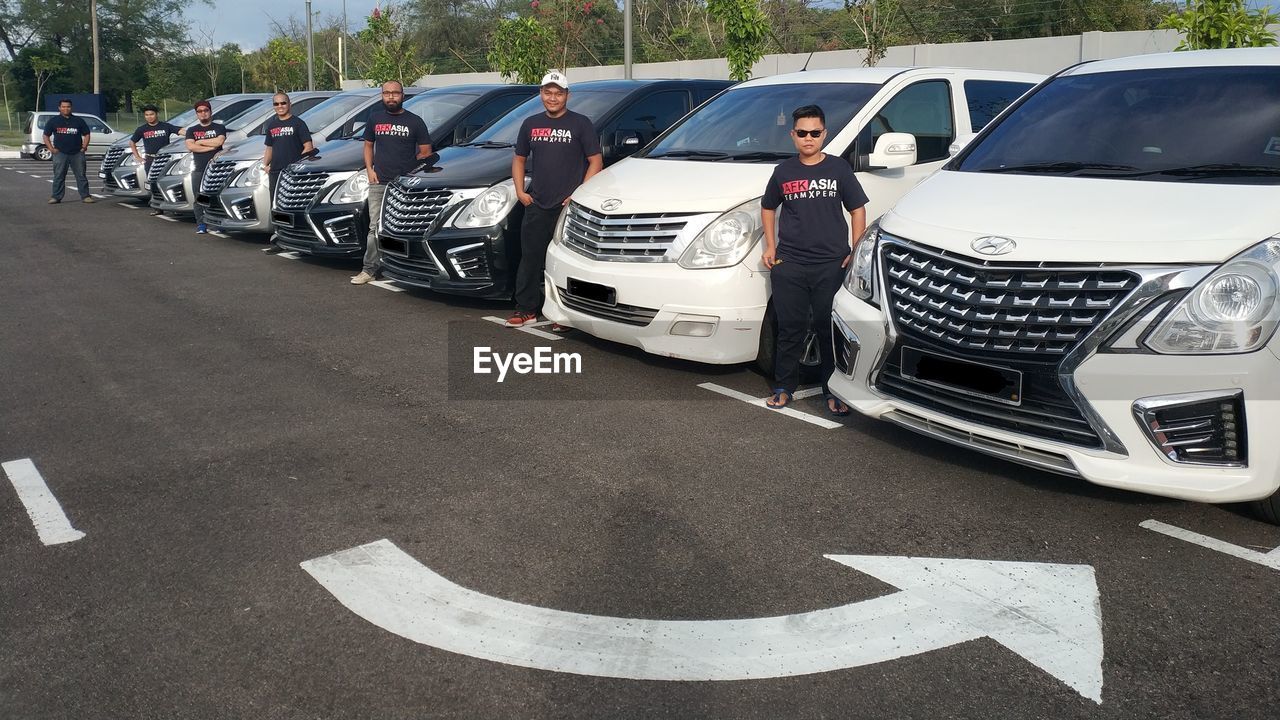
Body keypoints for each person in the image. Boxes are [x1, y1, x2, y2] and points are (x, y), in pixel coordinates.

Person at [760, 105, 868, 416]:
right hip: (790, 263)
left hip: (831, 264)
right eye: (802, 133)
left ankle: (833, 391)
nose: (809, 138)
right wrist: (770, 246)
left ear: (824, 134)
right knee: (790, 328)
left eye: (815, 133)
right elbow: (768, 207)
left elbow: (857, 208)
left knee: (827, 329)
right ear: (793, 135)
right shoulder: (783, 172)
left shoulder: (838, 170)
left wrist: (855, 249)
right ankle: (784, 387)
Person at [506, 70, 602, 328]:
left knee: (566, 262)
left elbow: (595, 162)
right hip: (537, 203)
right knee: (531, 258)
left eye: (558, 93)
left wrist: (578, 196)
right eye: (548, 92)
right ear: (541, 94)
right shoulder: (530, 124)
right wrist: (520, 192)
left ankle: (564, 314)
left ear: (567, 96)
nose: (553, 97)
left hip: (568, 207)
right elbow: (518, 159)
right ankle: (526, 310)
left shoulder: (581, 124)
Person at [352, 80, 433, 285]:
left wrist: (411, 174)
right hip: (379, 182)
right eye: (386, 93)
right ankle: (369, 269)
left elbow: (426, 153)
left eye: (395, 93)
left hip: (405, 186)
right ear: (381, 96)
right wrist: (369, 170)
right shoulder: (374, 119)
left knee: (406, 227)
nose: (391, 97)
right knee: (374, 228)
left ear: (402, 95)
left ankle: (409, 268)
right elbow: (368, 146)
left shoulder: (415, 122)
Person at [262, 92, 314, 252]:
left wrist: (299, 165)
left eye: (283, 103)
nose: (280, 106)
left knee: (294, 207)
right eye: (276, 104)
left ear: (289, 104)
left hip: (293, 174)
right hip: (276, 173)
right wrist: (266, 164)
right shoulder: (272, 125)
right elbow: (269, 148)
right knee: (277, 207)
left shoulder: (298, 123)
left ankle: (300, 241)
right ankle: (280, 240)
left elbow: (308, 146)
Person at [130, 104, 182, 215]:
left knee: (167, 183)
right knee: (153, 184)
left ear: (156, 114)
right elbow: (132, 142)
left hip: (165, 160)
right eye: (147, 115)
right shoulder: (142, 129)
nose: (149, 117)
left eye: (152, 114)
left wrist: (194, 133)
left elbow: (181, 131)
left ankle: (174, 207)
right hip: (150, 159)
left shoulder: (165, 126)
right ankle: (157, 207)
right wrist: (137, 157)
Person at [185, 99, 227, 234]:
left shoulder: (219, 127)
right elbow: (190, 146)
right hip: (198, 169)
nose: (203, 113)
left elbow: (220, 141)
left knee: (216, 196)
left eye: (205, 110)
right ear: (196, 114)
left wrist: (201, 141)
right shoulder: (192, 130)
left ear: (210, 111)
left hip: (216, 170)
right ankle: (201, 225)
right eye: (199, 111)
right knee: (199, 198)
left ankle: (219, 223)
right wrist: (211, 147)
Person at [43, 99, 93, 204]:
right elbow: (46, 135)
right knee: (59, 176)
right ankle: (56, 197)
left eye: (68, 107)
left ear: (71, 107)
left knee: (81, 175)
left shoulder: (78, 121)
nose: (66, 109)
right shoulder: (53, 121)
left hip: (77, 153)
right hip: (60, 153)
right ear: (59, 108)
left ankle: (85, 196)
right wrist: (51, 149)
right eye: (63, 107)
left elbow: (87, 134)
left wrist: (84, 147)